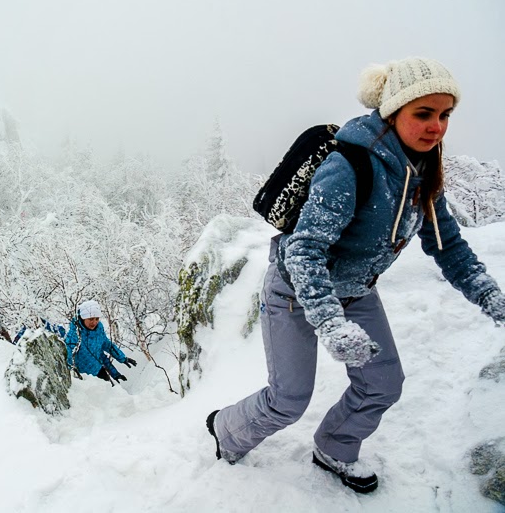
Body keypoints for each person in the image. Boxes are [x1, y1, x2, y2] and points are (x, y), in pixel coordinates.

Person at [207, 57, 505, 494]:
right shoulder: (350, 167)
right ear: (393, 111)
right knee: (288, 400)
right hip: (294, 292)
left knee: (383, 383)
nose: (436, 127)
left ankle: (335, 447)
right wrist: (329, 324)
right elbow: (305, 251)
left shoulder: (422, 175)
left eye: (444, 115)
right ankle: (226, 430)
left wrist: (488, 296)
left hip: (357, 293)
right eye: (423, 114)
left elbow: (448, 246)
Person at [64, 300, 137, 383]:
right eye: (91, 319)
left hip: (99, 371)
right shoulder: (74, 335)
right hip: (83, 378)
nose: (94, 322)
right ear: (82, 318)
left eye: (97, 319)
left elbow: (106, 348)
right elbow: (68, 359)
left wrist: (122, 360)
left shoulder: (98, 330)